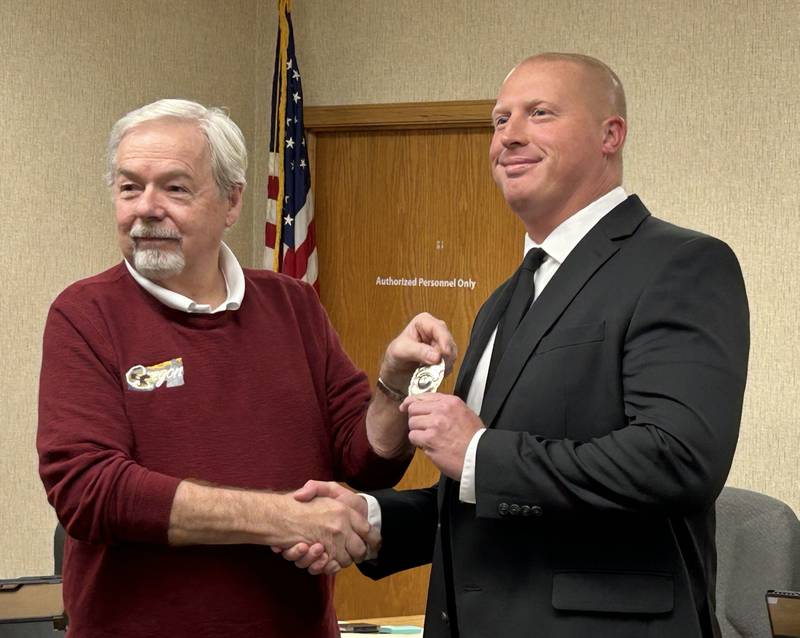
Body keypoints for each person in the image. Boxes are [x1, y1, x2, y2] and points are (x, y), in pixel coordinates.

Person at [281, 53, 750, 638]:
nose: (509, 135)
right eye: (500, 120)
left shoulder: (682, 265)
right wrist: (373, 519)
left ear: (611, 135)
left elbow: (677, 460)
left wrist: (480, 454)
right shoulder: (505, 299)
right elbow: (488, 497)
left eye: (540, 113)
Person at [36, 99, 455, 638]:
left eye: (175, 188)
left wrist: (393, 383)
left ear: (232, 201)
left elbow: (364, 458)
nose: (147, 208)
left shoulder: (292, 304)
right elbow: (89, 490)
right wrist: (285, 519)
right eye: (129, 188)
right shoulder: (85, 313)